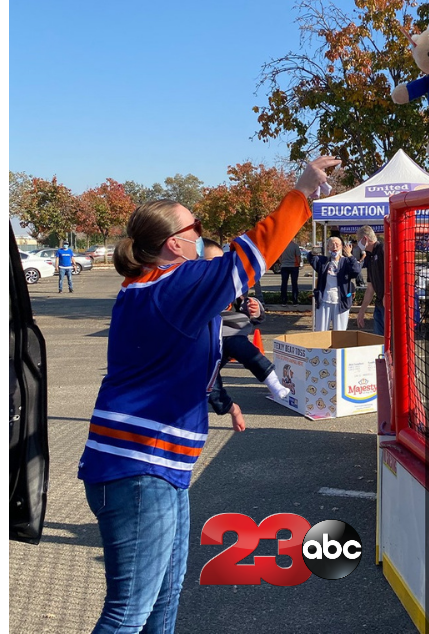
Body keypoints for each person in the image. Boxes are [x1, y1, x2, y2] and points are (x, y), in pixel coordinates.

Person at [77, 156, 338, 634]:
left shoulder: (152, 287)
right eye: (194, 227)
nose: (201, 234)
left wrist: (224, 397)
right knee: (128, 614)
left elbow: (199, 353)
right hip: (139, 469)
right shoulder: (170, 287)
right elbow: (247, 256)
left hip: (158, 468)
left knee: (164, 598)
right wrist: (299, 192)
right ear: (174, 243)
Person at [202, 241, 291, 416]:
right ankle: (224, 405)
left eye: (220, 263)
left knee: (247, 350)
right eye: (209, 262)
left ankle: (272, 381)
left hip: (230, 333)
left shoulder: (230, 285)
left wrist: (256, 309)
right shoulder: (195, 286)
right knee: (206, 376)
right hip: (207, 341)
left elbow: (246, 307)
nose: (216, 268)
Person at [306, 237, 363, 332]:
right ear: (328, 247)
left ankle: (338, 348)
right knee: (321, 332)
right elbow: (311, 258)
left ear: (342, 247)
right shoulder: (323, 261)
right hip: (324, 300)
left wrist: (349, 255)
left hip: (341, 302)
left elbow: (356, 271)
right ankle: (319, 347)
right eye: (332, 244)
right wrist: (313, 252)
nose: (334, 246)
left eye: (337, 244)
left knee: (339, 333)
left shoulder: (346, 262)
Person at [354, 225, 386, 336]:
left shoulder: (383, 249)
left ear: (365, 239)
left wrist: (389, 293)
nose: (358, 244)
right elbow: (370, 287)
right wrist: (362, 311)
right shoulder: (370, 256)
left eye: (358, 240)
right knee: (379, 339)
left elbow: (395, 272)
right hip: (380, 303)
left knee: (391, 339)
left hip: (389, 303)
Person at [278, 237, 302, 305]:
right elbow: (298, 257)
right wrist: (298, 263)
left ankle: (283, 301)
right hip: (294, 266)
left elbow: (279, 257)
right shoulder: (295, 246)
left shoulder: (282, 246)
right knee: (294, 284)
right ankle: (295, 301)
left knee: (284, 284)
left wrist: (282, 263)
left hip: (284, 266)